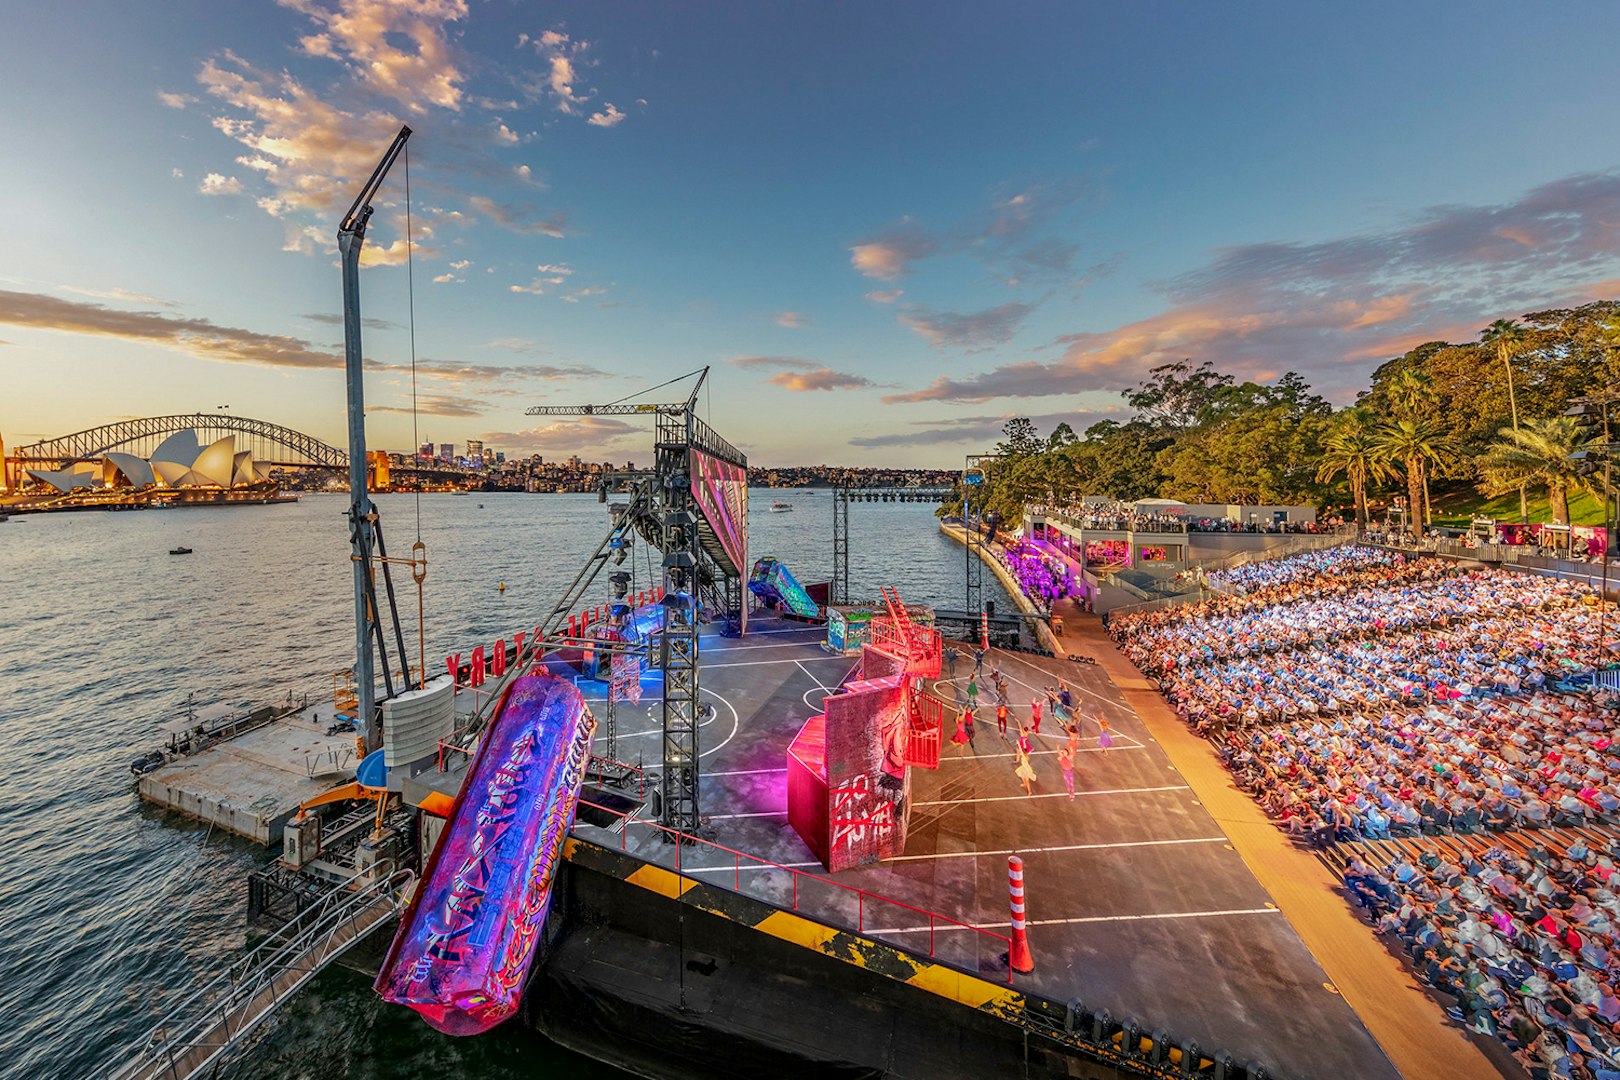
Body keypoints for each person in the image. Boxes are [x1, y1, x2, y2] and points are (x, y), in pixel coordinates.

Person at [1015, 728, 1037, 795]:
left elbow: (1021, 751)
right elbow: (1021, 751)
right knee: (1022, 776)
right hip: (1024, 767)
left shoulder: (1025, 756)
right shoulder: (1025, 755)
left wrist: (1018, 743)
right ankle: (1024, 784)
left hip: (1026, 769)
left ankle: (1029, 791)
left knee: (1027, 780)